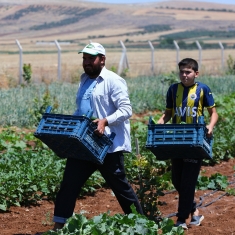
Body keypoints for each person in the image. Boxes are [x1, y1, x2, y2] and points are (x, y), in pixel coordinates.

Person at [49, 42, 144, 231]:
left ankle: (142, 224)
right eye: (84, 58)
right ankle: (59, 226)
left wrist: (105, 121)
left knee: (121, 188)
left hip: (107, 145)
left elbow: (126, 110)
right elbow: (82, 110)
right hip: (84, 143)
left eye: (91, 58)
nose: (87, 62)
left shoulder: (113, 80)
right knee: (69, 184)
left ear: (102, 59)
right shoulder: (84, 79)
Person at [157, 58, 218, 230]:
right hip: (177, 139)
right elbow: (168, 113)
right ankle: (194, 211)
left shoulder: (203, 89)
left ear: (195, 73)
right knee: (177, 180)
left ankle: (181, 219)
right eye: (182, 72)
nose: (184, 75)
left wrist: (210, 126)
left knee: (188, 182)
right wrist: (161, 121)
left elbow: (214, 113)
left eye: (188, 72)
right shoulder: (173, 90)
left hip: (195, 141)